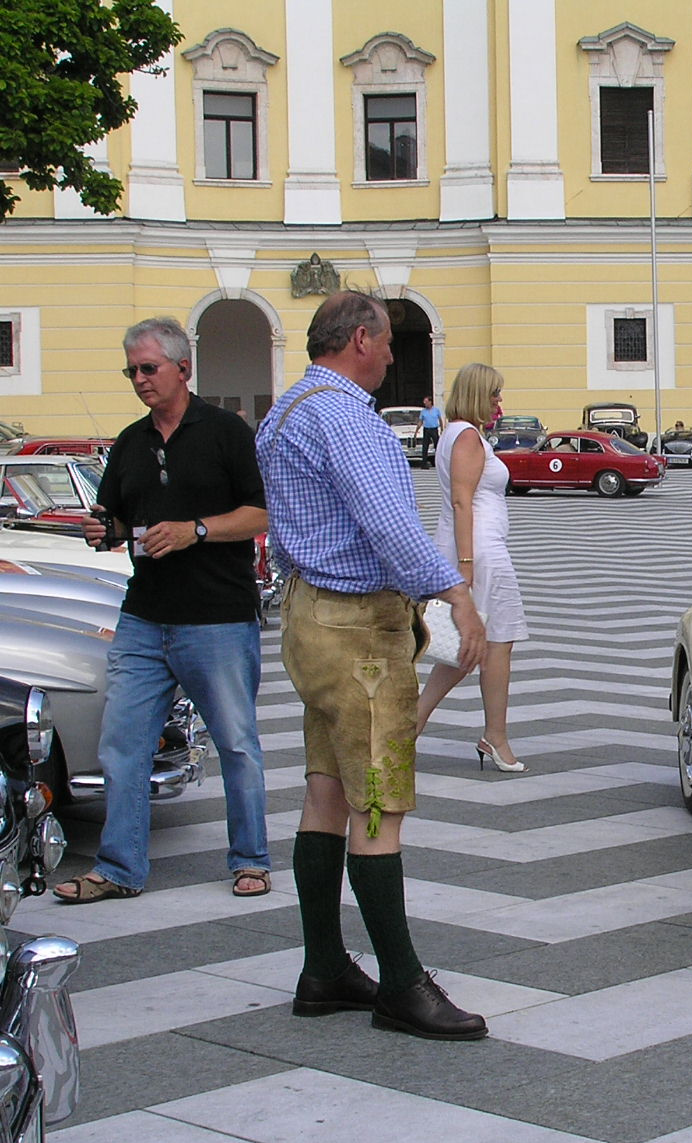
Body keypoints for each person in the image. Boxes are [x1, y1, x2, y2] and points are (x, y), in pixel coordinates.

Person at [256, 291, 489, 1041]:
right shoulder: (346, 416)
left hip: (308, 614)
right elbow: (386, 521)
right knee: (380, 803)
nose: (394, 356)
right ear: (360, 339)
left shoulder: (286, 409)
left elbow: (290, 531)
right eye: (388, 343)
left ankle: (324, 969)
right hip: (357, 628)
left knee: (326, 793)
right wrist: (456, 594)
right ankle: (400, 983)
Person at [52, 317, 274, 905]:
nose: (139, 380)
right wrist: (105, 529)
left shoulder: (227, 432)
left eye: (148, 368)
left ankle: (250, 859)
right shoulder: (130, 441)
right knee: (122, 744)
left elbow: (262, 513)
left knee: (236, 742)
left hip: (218, 617)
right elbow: (119, 519)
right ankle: (120, 867)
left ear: (183, 367)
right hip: (145, 616)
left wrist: (195, 530)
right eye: (131, 370)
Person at [415, 364, 529, 773]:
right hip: (480, 552)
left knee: (471, 645)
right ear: (477, 394)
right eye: (494, 395)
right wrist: (465, 566)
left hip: (477, 548)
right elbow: (463, 502)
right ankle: (495, 736)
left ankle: (412, 724)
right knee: (496, 642)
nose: (499, 402)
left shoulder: (458, 433)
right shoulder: (465, 436)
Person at [417, 396, 442, 467]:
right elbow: (420, 421)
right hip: (426, 429)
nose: (425, 403)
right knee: (425, 446)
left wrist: (442, 429)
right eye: (424, 402)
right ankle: (424, 463)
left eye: (426, 401)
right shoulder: (423, 411)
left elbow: (440, 420)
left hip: (434, 429)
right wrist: (416, 431)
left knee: (437, 446)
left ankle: (438, 462)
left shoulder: (436, 410)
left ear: (430, 402)